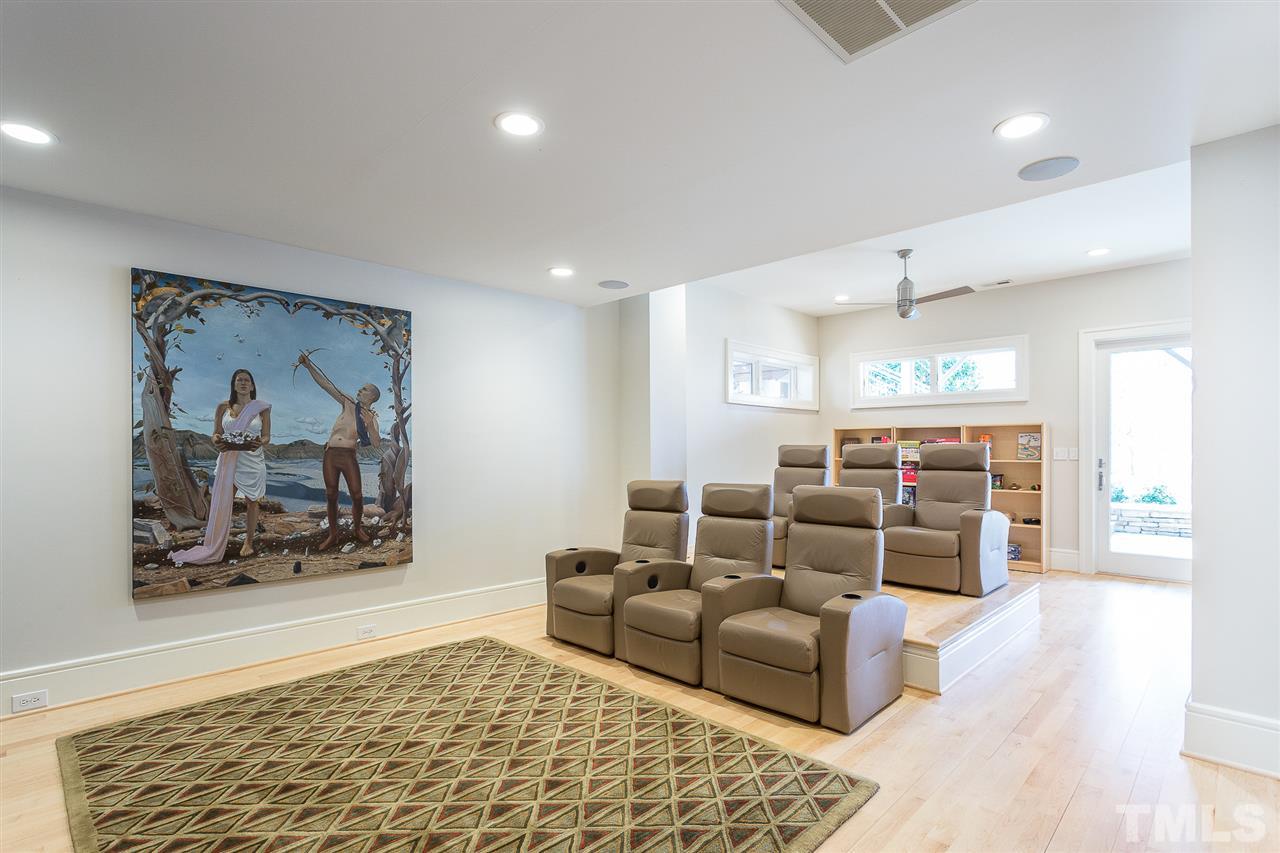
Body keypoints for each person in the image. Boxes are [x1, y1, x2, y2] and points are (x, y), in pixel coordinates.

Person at [170, 369, 271, 565]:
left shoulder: (261, 409)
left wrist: (260, 442)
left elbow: (267, 436)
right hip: (228, 459)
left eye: (247, 380)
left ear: (252, 385)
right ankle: (215, 542)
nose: (243, 383)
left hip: (252, 459)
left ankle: (248, 542)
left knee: (252, 501)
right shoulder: (223, 407)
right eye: (239, 380)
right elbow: (215, 433)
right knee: (223, 501)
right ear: (234, 384)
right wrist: (217, 441)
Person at [296, 351, 380, 551]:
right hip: (331, 455)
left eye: (365, 389)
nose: (360, 390)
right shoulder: (348, 403)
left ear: (373, 396)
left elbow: (376, 443)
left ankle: (357, 529)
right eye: (360, 388)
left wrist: (370, 426)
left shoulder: (372, 416)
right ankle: (333, 535)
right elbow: (326, 384)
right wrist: (308, 366)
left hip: (348, 456)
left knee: (357, 495)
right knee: (331, 494)